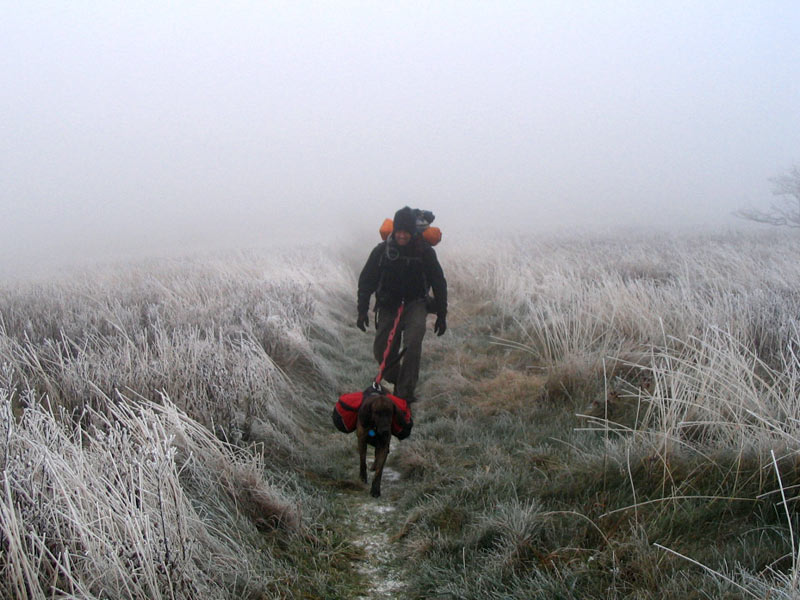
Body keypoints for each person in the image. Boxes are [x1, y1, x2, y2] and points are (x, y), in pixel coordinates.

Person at [356, 206, 448, 404]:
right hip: (388, 304)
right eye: (399, 231)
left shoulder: (425, 253)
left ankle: (404, 395)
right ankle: (397, 378)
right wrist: (362, 310)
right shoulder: (382, 252)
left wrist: (442, 314)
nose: (402, 235)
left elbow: (439, 283)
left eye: (406, 232)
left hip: (416, 304)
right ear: (394, 230)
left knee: (413, 345)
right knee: (381, 350)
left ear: (412, 232)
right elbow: (366, 281)